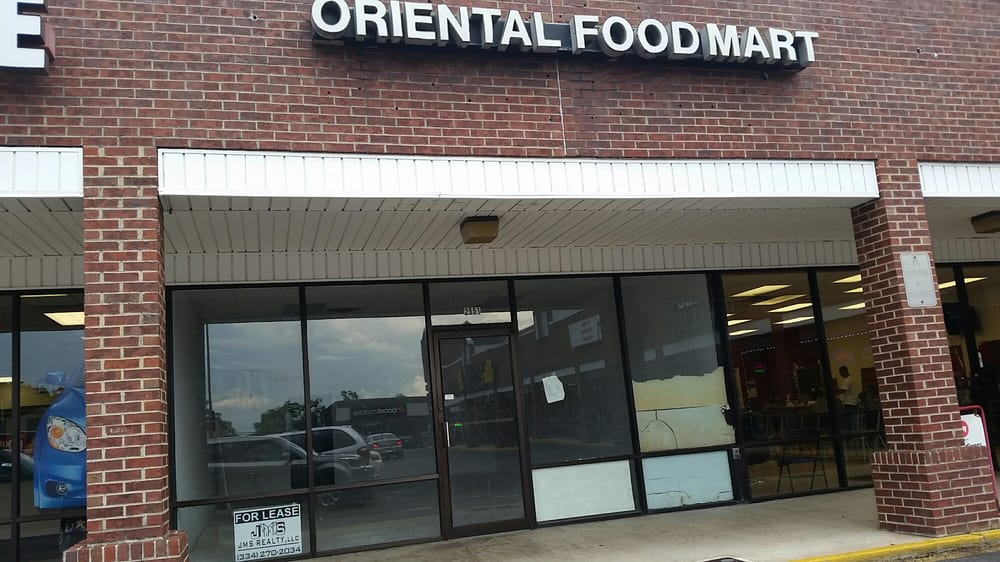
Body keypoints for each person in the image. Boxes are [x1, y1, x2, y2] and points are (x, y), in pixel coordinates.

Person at [837, 366, 859, 431]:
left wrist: (833, 390)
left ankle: (850, 434)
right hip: (851, 402)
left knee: (849, 421)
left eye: (841, 372)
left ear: (844, 371)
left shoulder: (848, 380)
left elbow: (842, 391)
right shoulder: (849, 379)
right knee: (851, 420)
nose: (840, 374)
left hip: (850, 403)